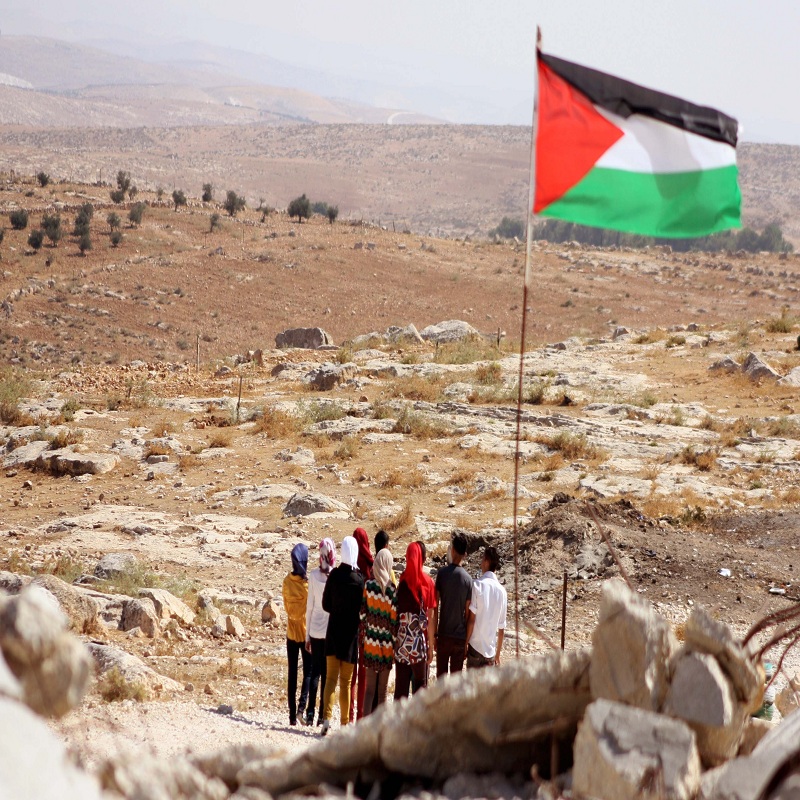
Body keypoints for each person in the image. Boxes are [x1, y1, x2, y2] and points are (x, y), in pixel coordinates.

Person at [321, 536, 364, 736]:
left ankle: (326, 719)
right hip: (350, 639)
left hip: (333, 635)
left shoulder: (334, 575)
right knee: (346, 683)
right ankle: (345, 724)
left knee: (330, 679)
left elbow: (326, 604)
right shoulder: (359, 580)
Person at [394, 542, 436, 700]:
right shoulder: (427, 582)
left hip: (401, 644)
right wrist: (430, 646)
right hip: (418, 645)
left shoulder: (402, 582)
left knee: (401, 688)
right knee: (420, 686)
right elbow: (430, 617)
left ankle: (399, 716)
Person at [360, 548, 398, 715]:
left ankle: (364, 727)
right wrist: (394, 645)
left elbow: (362, 615)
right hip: (387, 647)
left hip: (370, 644)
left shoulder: (368, 586)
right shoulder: (392, 591)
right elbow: (394, 622)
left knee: (369, 690)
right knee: (382, 692)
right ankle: (381, 728)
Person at [304, 538, 335, 726]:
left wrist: (307, 635)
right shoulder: (334, 575)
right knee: (326, 674)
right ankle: (323, 714)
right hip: (329, 630)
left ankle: (310, 712)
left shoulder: (314, 575)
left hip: (315, 629)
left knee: (315, 671)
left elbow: (310, 606)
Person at [435, 532, 473, 676]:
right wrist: (466, 641)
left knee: (441, 680)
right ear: (465, 554)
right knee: (456, 681)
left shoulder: (442, 574)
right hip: (459, 637)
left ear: (452, 550)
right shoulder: (468, 580)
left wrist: (435, 634)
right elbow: (467, 613)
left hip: (444, 634)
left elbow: (435, 606)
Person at [282, 543, 311, 726]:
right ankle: (302, 708)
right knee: (308, 671)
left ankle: (292, 716)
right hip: (305, 633)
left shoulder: (286, 582)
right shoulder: (306, 585)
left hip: (291, 632)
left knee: (292, 673)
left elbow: (286, 607)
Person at [465, 546, 507, 669]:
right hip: (491, 651)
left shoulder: (477, 585)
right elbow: (501, 628)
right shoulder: (502, 592)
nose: (481, 563)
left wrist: (465, 643)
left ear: (487, 561)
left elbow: (471, 620)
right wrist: (497, 655)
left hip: (475, 647)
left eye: (482, 559)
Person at [349, 527, 373, 722]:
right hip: (366, 626)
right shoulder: (371, 567)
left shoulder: (350, 566)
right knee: (363, 670)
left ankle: (349, 712)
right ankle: (361, 715)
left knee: (351, 672)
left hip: (351, 624)